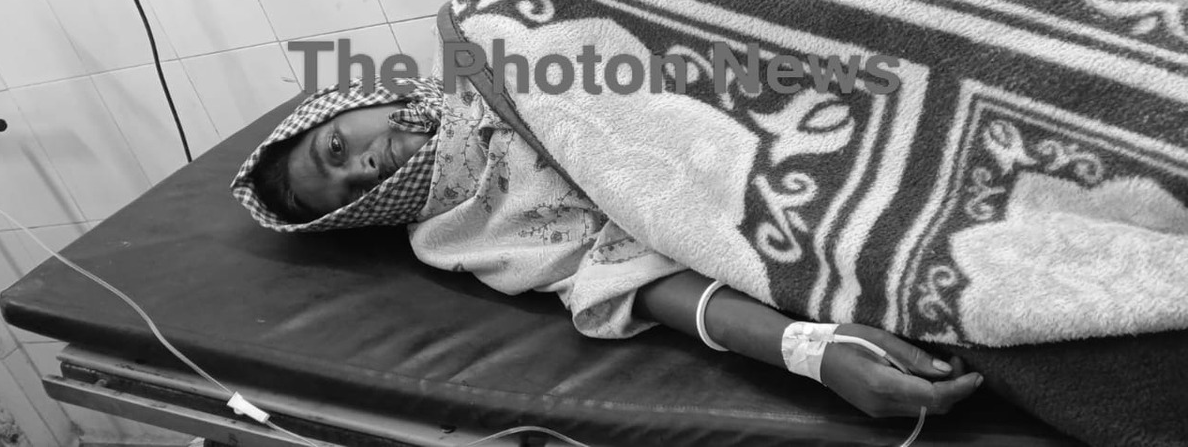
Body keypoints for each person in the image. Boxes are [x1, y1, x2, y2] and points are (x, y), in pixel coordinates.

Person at [231, 76, 982, 422]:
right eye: (346, 192)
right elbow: (617, 275)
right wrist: (810, 351)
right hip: (758, 192)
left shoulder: (484, 54)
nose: (360, 167)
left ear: (356, 105)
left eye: (337, 147)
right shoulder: (459, 230)